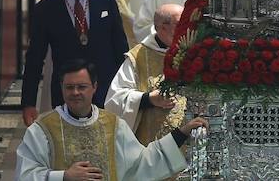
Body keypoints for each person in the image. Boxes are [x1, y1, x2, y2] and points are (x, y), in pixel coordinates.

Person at [17, 60, 203, 180]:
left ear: (94, 87)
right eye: (69, 87)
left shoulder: (113, 125)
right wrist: (64, 176)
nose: (75, 93)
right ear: (61, 88)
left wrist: (181, 133)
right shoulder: (43, 129)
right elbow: (24, 175)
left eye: (81, 87)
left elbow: (141, 163)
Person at [22, 0, 131, 119]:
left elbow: (120, 47)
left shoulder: (106, 0)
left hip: (106, 91)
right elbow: (35, 58)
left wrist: (126, 91)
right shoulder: (46, 8)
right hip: (68, 94)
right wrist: (28, 103)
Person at [105, 4, 185, 143]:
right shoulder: (138, 57)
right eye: (179, 23)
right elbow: (115, 100)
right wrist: (148, 99)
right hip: (152, 148)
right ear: (161, 27)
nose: (185, 27)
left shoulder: (194, 51)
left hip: (190, 143)